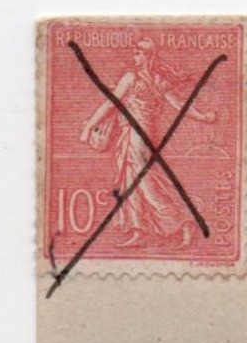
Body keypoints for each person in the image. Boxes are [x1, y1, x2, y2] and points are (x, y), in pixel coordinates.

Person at [77, 39, 216, 249]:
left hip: (136, 134)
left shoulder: (131, 78)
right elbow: (179, 105)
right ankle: (138, 230)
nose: (134, 56)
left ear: (148, 56)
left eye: (138, 53)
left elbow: (110, 103)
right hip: (138, 134)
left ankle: (182, 222)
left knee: (144, 181)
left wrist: (89, 127)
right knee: (128, 179)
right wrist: (202, 116)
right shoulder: (159, 81)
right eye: (135, 52)